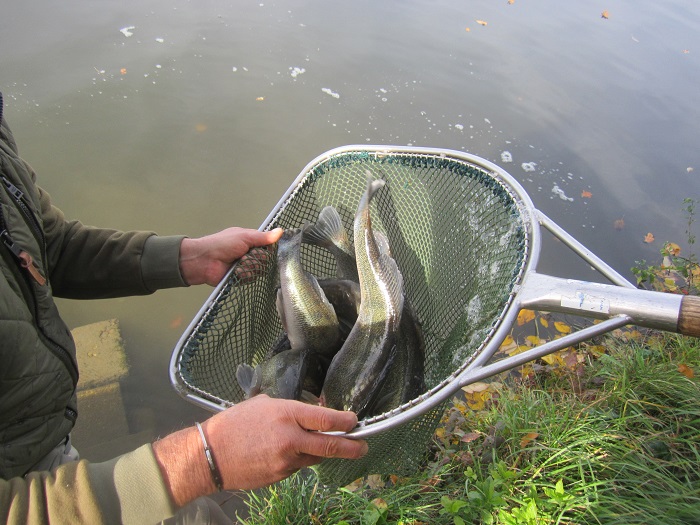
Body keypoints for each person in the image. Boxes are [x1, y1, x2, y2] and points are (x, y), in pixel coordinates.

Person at [0, 91, 368, 524]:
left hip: (43, 439)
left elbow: (46, 246)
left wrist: (188, 257)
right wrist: (207, 458)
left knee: (202, 517)